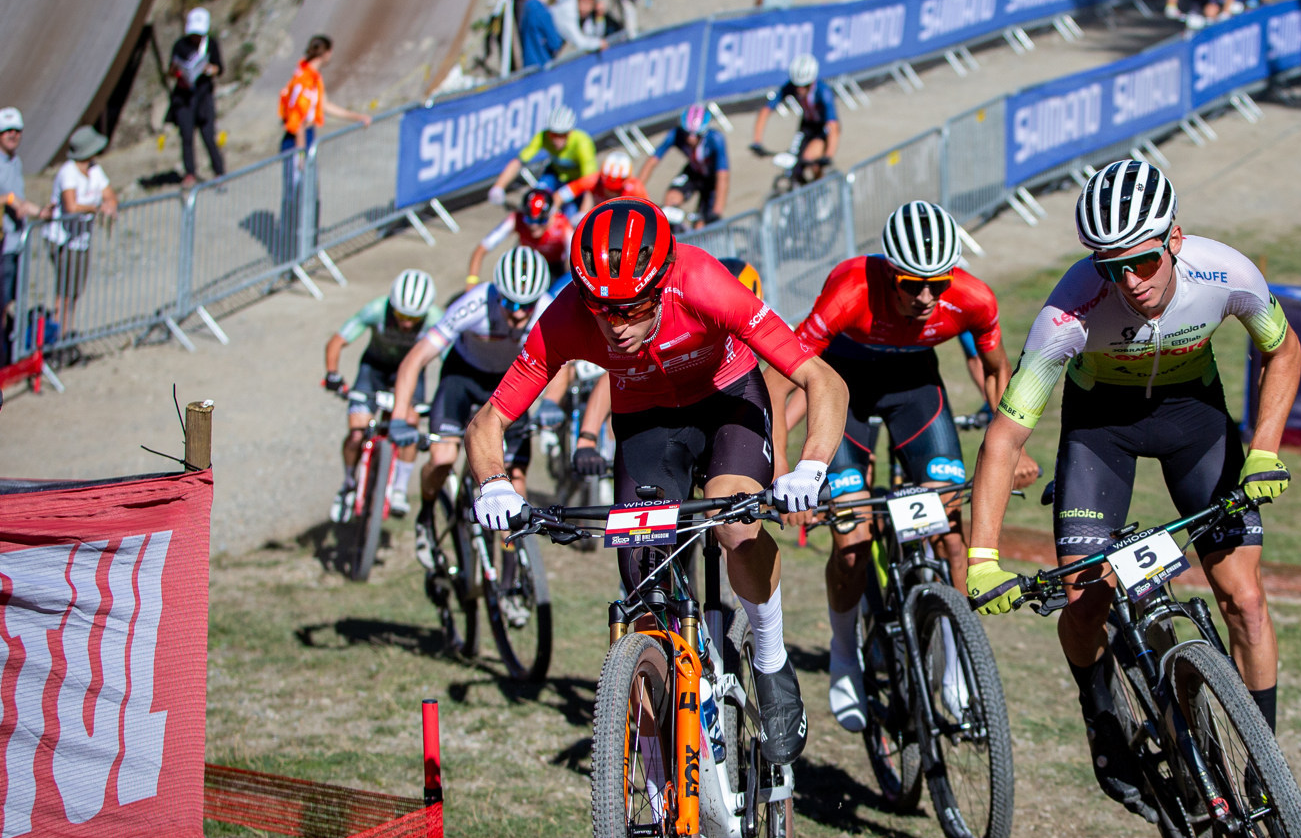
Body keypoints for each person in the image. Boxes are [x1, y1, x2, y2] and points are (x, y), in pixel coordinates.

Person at [963, 160, 1301, 818]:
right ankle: (1102, 716)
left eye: (1143, 262)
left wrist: (1264, 450)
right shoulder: (1069, 310)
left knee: (1246, 599)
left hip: (1194, 418)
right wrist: (981, 557)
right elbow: (1003, 439)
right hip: (1101, 433)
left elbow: (1283, 351)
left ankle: (1267, 773)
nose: (1130, 282)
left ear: (1174, 239)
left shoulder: (1226, 273)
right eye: (1111, 266)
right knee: (1082, 600)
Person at [465, 198, 855, 766]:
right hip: (647, 423)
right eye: (602, 309)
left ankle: (771, 660)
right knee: (643, 594)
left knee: (732, 521)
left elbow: (821, 379)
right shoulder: (568, 315)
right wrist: (494, 484)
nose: (616, 325)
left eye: (632, 308)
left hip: (727, 401)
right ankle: (654, 799)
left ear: (661, 283)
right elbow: (488, 422)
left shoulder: (700, 281)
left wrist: (813, 464)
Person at [773, 201, 1038, 732]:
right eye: (910, 284)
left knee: (951, 533)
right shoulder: (848, 289)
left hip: (916, 390)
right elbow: (786, 377)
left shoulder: (974, 298)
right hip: (846, 388)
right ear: (887, 272)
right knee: (851, 541)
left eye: (937, 284)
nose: (924, 298)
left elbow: (995, 369)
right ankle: (844, 652)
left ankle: (952, 653)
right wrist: (784, 468)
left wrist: (1015, 446)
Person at [388, 246, 555, 571]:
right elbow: (417, 357)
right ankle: (426, 515)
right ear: (497, 294)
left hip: (508, 382)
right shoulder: (476, 302)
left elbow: (565, 365)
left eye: (527, 306)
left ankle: (511, 579)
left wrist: (550, 403)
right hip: (462, 377)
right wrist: (398, 414)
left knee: (514, 480)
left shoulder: (546, 310)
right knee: (443, 457)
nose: (519, 314)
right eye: (510, 303)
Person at [323, 269, 441, 521]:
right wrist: (332, 373)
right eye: (400, 315)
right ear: (391, 306)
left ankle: (399, 488)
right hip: (374, 369)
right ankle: (347, 484)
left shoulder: (436, 318)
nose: (406, 324)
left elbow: (451, 357)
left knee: (410, 427)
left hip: (410, 374)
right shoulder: (377, 309)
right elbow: (337, 340)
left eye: (414, 318)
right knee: (357, 431)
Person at [43, 127, 116, 340]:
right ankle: (57, 337)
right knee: (63, 293)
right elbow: (71, 206)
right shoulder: (68, 172)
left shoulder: (94, 170)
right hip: (64, 240)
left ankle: (65, 333)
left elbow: (109, 194)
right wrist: (97, 208)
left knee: (73, 292)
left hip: (81, 240)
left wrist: (110, 204)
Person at [749, 54, 840, 184]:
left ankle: (821, 189)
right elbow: (766, 111)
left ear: (812, 82)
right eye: (797, 86)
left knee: (809, 158)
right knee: (794, 163)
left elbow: (833, 126)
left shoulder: (823, 92)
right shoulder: (791, 87)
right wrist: (757, 141)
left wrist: (828, 156)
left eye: (804, 86)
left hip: (823, 128)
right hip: (806, 126)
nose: (800, 90)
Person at [0, 108, 47, 357]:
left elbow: (20, 201)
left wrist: (42, 212)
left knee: (13, 303)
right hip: (3, 246)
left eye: (16, 130)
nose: (12, 135)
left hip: (17, 242)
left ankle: (10, 356)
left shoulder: (15, 162)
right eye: (6, 131)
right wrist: (7, 199)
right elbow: (11, 198)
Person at [280, 35, 373, 157]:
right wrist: (301, 154)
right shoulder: (303, 80)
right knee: (300, 174)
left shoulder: (315, 76)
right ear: (326, 53)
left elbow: (325, 105)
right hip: (297, 140)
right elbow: (298, 119)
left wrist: (357, 117)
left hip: (308, 134)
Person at [487, 104, 597, 203]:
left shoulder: (583, 143)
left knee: (570, 212)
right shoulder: (542, 136)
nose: (556, 140)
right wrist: (499, 187)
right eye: (553, 134)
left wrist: (564, 194)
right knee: (537, 198)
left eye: (562, 135)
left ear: (570, 132)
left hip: (576, 182)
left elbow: (590, 180)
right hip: (554, 174)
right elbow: (518, 162)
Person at [641, 104, 730, 226]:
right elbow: (652, 161)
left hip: (711, 180)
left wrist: (717, 211)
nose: (691, 139)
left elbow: (722, 176)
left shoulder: (716, 139)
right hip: (693, 172)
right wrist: (635, 190)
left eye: (696, 135)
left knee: (702, 224)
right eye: (687, 133)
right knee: (671, 200)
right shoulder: (676, 134)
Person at [167, 7, 225, 186]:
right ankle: (190, 172)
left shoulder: (210, 44)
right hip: (184, 97)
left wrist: (208, 69)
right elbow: (170, 71)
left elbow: (219, 68)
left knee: (208, 135)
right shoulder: (180, 46)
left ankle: (219, 172)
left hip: (203, 96)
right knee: (186, 136)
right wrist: (177, 70)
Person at [565, 150, 647, 212]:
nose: (611, 194)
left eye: (616, 191)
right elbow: (563, 193)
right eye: (609, 189)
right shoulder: (594, 180)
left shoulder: (635, 188)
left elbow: (649, 211)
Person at [552, 0, 621, 54]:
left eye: (589, 4)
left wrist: (599, 16)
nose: (586, 8)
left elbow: (596, 36)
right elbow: (579, 42)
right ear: (578, 0)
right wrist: (598, 44)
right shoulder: (569, 11)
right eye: (584, 2)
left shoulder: (588, 15)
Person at [519, 0, 565, 69]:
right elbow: (555, 43)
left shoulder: (528, 6)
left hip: (528, 64)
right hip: (542, 64)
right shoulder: (542, 11)